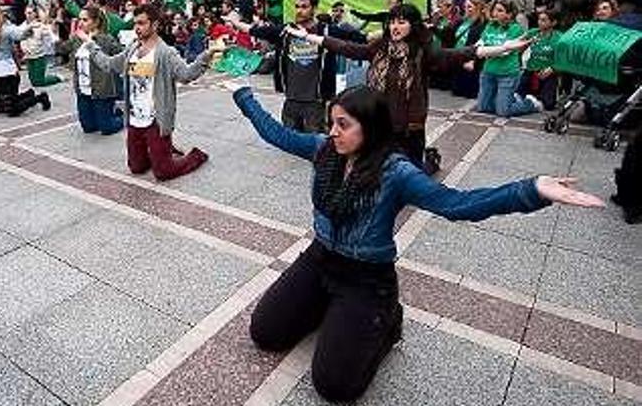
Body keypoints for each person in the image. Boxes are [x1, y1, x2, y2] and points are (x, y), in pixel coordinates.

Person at [219, 79, 603, 404]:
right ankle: (327, 308)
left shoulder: (396, 172)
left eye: (343, 124)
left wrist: (532, 189)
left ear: (369, 127)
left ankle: (386, 323)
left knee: (335, 388)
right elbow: (277, 134)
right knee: (265, 333)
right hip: (319, 258)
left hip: (367, 279)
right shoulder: (324, 150)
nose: (333, 131)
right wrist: (243, 95)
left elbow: (457, 204)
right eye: (331, 122)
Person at [285, 3, 532, 171]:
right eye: (392, 22)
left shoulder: (422, 52)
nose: (395, 27)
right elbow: (346, 47)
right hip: (379, 122)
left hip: (408, 126)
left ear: (412, 25)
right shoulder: (379, 47)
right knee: (376, 168)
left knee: (411, 173)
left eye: (401, 22)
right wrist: (307, 37)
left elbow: (460, 53)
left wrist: (506, 47)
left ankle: (429, 160)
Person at [76, 4, 218, 181]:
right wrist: (90, 43)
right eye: (135, 23)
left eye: (142, 23)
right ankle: (162, 151)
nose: (137, 28)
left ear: (155, 25)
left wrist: (207, 55)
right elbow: (109, 64)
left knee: (163, 173)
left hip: (155, 120)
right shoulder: (132, 49)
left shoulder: (165, 53)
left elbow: (186, 75)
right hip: (135, 119)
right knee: (137, 168)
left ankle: (194, 156)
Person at [229, 0, 365, 133]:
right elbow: (255, 30)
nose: (299, 11)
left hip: (315, 102)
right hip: (291, 100)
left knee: (314, 145)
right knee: (289, 141)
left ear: (314, 8)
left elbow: (358, 39)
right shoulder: (286, 31)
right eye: (297, 6)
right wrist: (235, 22)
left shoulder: (326, 31)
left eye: (304, 7)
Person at [58, 6, 124, 135]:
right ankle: (109, 113)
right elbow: (61, 49)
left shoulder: (105, 39)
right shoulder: (77, 39)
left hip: (102, 90)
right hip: (83, 89)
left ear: (96, 22)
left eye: (85, 20)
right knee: (89, 128)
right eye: (79, 19)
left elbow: (120, 54)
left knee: (106, 128)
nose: (81, 23)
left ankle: (122, 117)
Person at [0, 5, 51, 117]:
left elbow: (18, 33)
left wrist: (29, 27)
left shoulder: (5, 29)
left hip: (7, 74)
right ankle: (28, 94)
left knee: (12, 109)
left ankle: (40, 98)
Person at [476, 1, 541, 117]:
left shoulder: (516, 29)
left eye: (500, 11)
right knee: (483, 107)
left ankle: (530, 103)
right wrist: (484, 50)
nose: (495, 13)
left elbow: (505, 51)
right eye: (494, 10)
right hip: (488, 71)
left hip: (507, 73)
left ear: (510, 15)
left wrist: (486, 51)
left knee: (503, 111)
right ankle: (509, 99)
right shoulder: (490, 26)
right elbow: (480, 43)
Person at [521, 10, 563, 110]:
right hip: (531, 71)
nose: (540, 22)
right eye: (539, 19)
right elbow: (518, 42)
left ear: (553, 23)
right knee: (519, 96)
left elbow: (563, 59)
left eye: (544, 20)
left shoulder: (559, 37)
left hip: (548, 73)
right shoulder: (533, 33)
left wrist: (553, 69)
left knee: (548, 105)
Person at [451, 0, 489, 98]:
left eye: (470, 7)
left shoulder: (483, 24)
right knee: (457, 91)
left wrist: (473, 60)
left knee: (468, 92)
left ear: (478, 8)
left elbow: (481, 43)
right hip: (458, 56)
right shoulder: (461, 21)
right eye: (465, 6)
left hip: (471, 59)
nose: (466, 9)